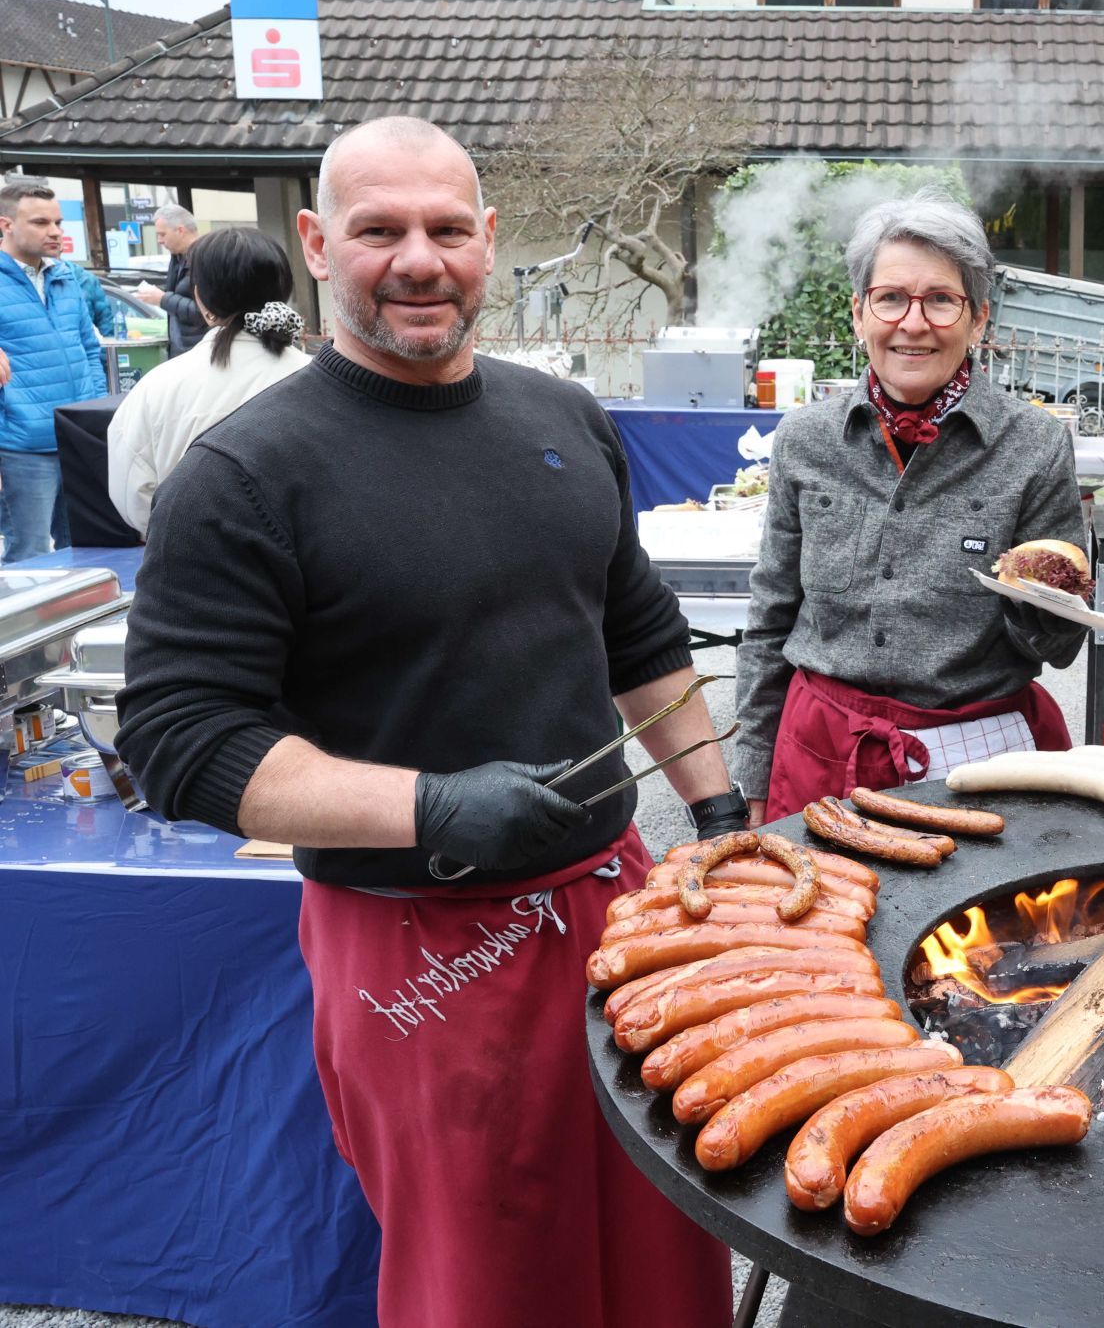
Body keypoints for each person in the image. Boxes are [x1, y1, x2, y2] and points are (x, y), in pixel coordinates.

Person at [115, 117, 743, 1328]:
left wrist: (713, 806)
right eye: (379, 230)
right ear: (314, 242)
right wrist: (431, 806)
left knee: (669, 1232)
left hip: (619, 910)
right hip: (423, 952)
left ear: (489, 241)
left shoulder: (561, 419)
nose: (419, 260)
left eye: (447, 229)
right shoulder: (246, 472)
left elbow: (639, 637)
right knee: (491, 1279)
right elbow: (182, 740)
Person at [734, 188, 1087, 824]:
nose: (913, 323)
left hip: (980, 753)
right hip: (822, 749)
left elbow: (1060, 646)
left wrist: (1045, 596)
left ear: (979, 318)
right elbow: (769, 620)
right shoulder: (807, 439)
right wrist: (753, 773)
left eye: (941, 300)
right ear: (858, 313)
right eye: (891, 298)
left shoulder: (1033, 445)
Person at [106, 227, 311, 535]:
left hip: (190, 566)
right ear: (284, 289)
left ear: (200, 296)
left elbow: (134, 497)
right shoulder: (321, 380)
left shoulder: (157, 386)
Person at [0, 179, 103, 563]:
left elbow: (89, 350)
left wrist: (92, 413)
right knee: (28, 558)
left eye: (58, 222)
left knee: (87, 554)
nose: (56, 232)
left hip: (76, 441)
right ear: (6, 225)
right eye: (41, 223)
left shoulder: (65, 277)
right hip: (21, 450)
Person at [135, 203, 203, 357]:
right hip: (181, 351)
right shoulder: (177, 258)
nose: (159, 240)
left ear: (180, 230)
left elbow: (206, 313)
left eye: (162, 234)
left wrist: (163, 299)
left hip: (199, 352)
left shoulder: (206, 259)